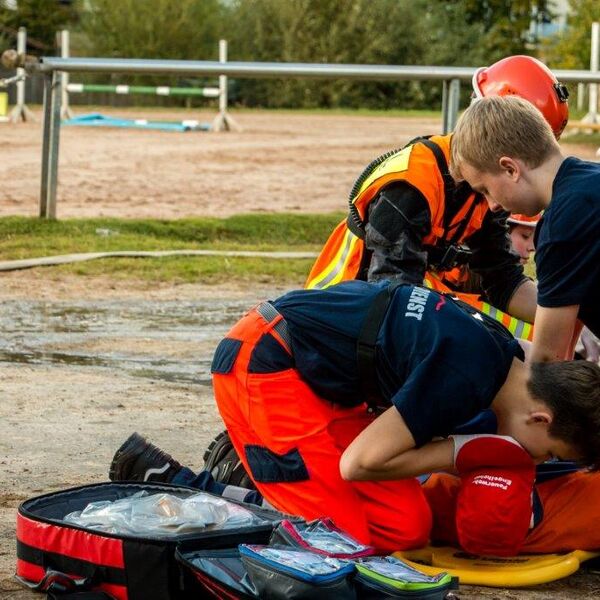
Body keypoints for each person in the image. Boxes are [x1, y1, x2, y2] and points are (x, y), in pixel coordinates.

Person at [109, 280, 600, 555]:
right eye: (551, 454)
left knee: (408, 528)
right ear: (540, 418)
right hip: (264, 363)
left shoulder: (501, 357)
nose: (539, 463)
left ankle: (255, 467)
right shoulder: (463, 375)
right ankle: (188, 487)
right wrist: (457, 454)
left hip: (323, 385)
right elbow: (358, 465)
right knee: (335, 548)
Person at [305, 56, 570, 331]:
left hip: (404, 301)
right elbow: (394, 297)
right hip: (341, 316)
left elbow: (501, 278)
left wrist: (572, 318)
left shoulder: (482, 189)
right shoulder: (411, 186)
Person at [450, 95, 600, 363]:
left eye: (485, 190)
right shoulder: (589, 182)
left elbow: (547, 362)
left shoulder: (563, 226)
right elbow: (565, 348)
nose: (491, 206)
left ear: (510, 169)